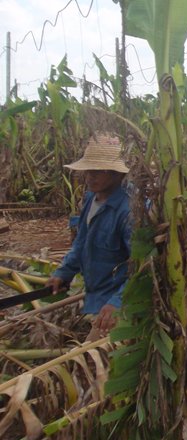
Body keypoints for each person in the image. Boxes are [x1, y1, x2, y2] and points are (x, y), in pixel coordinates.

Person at [47, 134, 132, 341]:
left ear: (116, 174)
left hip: (120, 299)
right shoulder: (90, 200)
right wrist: (64, 271)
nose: (90, 176)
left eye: (98, 171)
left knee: (91, 363)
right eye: (89, 170)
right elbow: (82, 242)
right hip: (98, 294)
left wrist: (117, 302)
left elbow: (142, 266)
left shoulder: (129, 212)